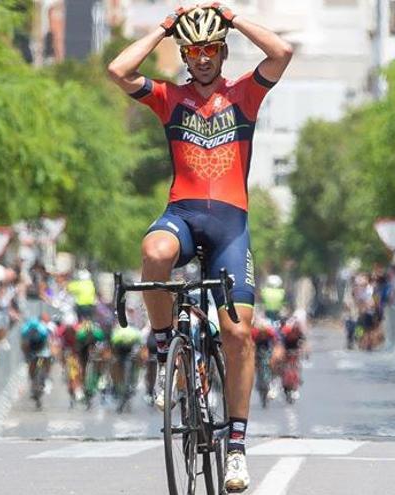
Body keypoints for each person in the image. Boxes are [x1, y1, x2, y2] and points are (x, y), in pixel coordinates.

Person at [108, 3, 292, 490]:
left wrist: (230, 17)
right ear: (186, 56)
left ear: (222, 51)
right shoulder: (169, 97)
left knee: (237, 335)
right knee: (154, 254)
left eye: (210, 48)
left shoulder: (245, 95)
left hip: (231, 228)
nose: (203, 58)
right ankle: (166, 344)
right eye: (194, 51)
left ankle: (235, 446)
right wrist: (166, 29)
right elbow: (119, 70)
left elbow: (282, 51)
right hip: (183, 214)